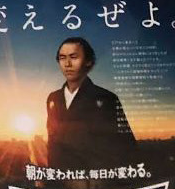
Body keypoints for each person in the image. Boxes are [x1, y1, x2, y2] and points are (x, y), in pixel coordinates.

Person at [45, 36, 138, 171]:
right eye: (62, 58)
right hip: (59, 175)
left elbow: (126, 144)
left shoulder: (107, 98)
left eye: (74, 57)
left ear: (88, 61)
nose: (67, 64)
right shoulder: (53, 98)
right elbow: (52, 141)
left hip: (95, 176)